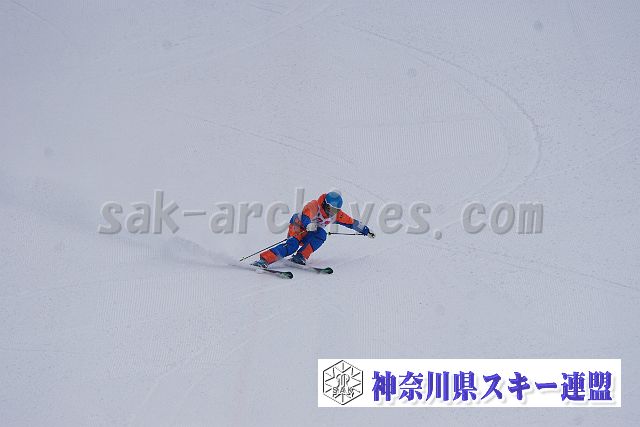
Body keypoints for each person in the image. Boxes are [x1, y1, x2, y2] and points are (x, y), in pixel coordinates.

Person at [252, 191, 375, 267]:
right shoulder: (314, 205)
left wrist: (366, 230)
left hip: (312, 231)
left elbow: (351, 223)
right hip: (298, 226)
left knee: (322, 234)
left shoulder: (336, 215)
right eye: (330, 209)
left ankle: (300, 257)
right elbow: (306, 215)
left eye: (335, 210)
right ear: (325, 204)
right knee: (292, 245)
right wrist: (308, 224)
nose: (332, 212)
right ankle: (265, 260)